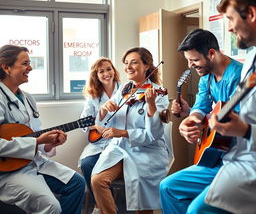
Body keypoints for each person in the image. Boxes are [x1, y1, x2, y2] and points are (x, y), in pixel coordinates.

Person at [160, 28, 243, 214]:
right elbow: (200, 106)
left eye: (195, 60)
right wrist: (189, 121)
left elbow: (232, 123)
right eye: (188, 61)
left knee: (196, 209)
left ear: (212, 53)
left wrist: (203, 120)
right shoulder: (206, 77)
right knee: (167, 187)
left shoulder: (239, 77)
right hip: (215, 159)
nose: (190, 66)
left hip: (237, 161)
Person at [0, 45, 85, 214]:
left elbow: (34, 135)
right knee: (51, 207)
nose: (30, 68)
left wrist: (48, 144)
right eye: (25, 63)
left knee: (77, 183)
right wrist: (38, 141)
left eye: (29, 63)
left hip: (32, 162)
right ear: (6, 67)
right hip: (7, 172)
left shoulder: (28, 98)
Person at [90, 47, 172, 214]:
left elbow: (153, 135)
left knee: (141, 196)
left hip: (146, 152)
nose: (128, 67)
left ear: (147, 65)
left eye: (134, 62)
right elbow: (104, 122)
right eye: (126, 63)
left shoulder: (158, 94)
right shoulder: (125, 89)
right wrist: (104, 110)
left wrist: (151, 106)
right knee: (98, 180)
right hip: (120, 148)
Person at [205, 0, 256, 214]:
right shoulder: (250, 63)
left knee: (199, 210)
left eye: (231, 19)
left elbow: (248, 127)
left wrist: (245, 131)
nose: (229, 28)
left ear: (251, 14)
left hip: (249, 165)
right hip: (241, 158)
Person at [78, 57, 120, 213]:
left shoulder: (125, 90)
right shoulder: (93, 96)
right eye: (101, 71)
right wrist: (96, 124)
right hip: (99, 142)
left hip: (119, 141)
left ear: (114, 71)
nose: (106, 73)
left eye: (109, 69)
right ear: (96, 75)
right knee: (87, 164)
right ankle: (99, 203)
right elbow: (84, 120)